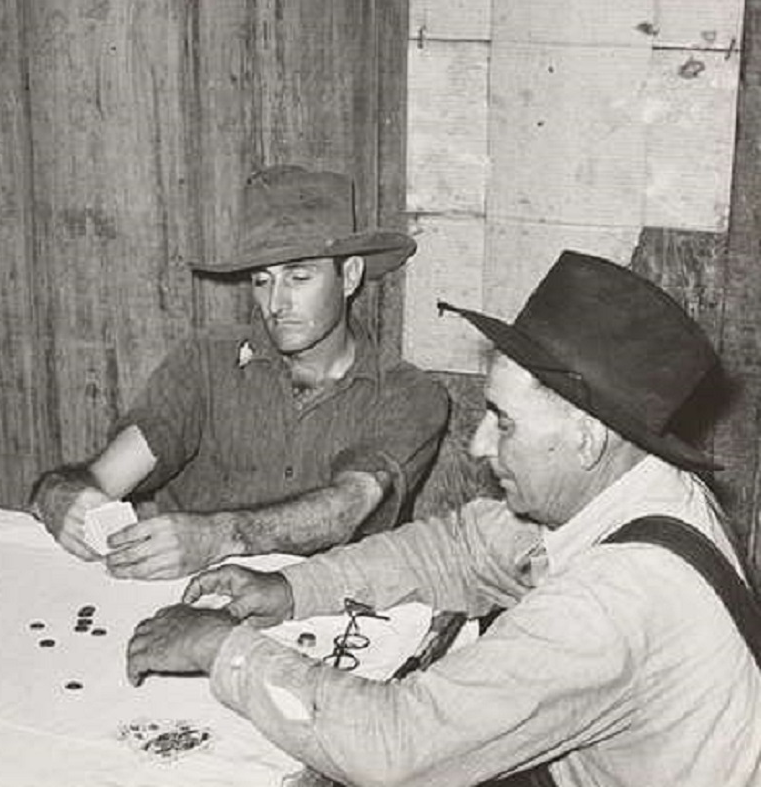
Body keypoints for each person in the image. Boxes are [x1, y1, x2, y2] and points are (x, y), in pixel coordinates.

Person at [126, 250, 761, 786]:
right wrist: (290, 589)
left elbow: (395, 746)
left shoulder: (611, 602)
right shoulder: (637, 487)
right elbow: (456, 548)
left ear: (587, 439)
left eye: (504, 423)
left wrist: (220, 648)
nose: (480, 445)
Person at [30, 165, 449, 580]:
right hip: (183, 597)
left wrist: (216, 537)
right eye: (262, 281)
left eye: (299, 277)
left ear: (350, 276)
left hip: (324, 604)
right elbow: (105, 477)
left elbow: (345, 509)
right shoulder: (206, 361)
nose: (276, 303)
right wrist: (61, 496)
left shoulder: (408, 394)